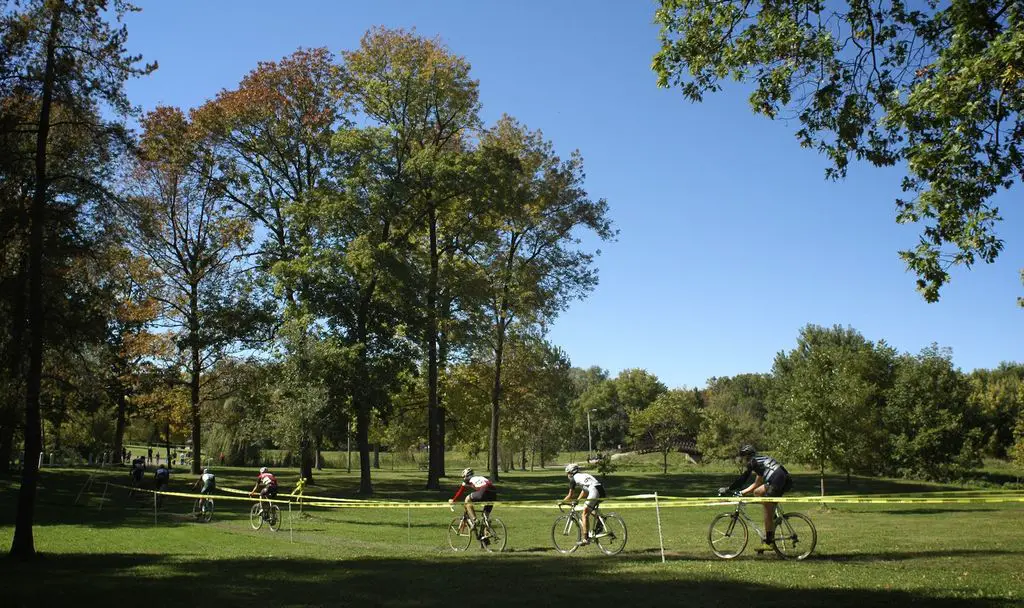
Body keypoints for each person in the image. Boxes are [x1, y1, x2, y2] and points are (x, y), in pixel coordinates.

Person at [719, 444, 792, 549]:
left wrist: (729, 488)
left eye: (743, 457)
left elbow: (743, 478)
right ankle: (772, 518)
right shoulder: (760, 462)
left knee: (767, 511)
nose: (743, 460)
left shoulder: (753, 462)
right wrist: (742, 493)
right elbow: (757, 484)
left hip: (777, 479)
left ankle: (769, 542)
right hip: (783, 478)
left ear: (747, 456)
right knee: (758, 492)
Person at [562, 463, 606, 546]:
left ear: (571, 472)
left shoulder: (573, 479)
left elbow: (570, 495)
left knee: (584, 514)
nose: (567, 475)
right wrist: (578, 500)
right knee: (589, 508)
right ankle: (600, 519)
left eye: (567, 473)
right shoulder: (584, 475)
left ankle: (585, 539)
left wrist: (562, 502)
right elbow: (585, 490)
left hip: (594, 490)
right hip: (601, 490)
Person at [448, 468, 496, 536]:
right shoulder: (479, 477)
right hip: (493, 492)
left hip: (484, 490)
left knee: (467, 499)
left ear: (466, 475)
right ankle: (486, 536)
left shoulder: (468, 479)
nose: (463, 478)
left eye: (463, 476)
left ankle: (474, 520)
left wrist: (453, 500)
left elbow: (460, 491)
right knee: (485, 517)